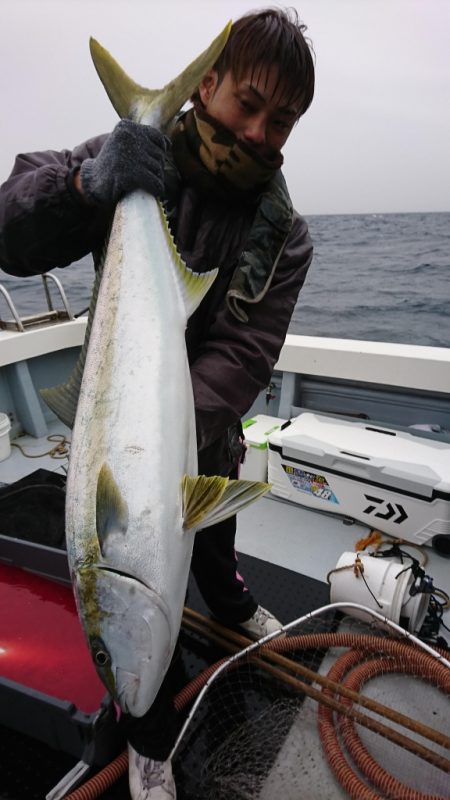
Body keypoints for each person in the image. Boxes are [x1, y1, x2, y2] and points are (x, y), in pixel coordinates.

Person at [0, 7, 315, 798]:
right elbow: (8, 235)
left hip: (199, 439)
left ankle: (234, 605)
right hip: (140, 461)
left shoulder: (287, 237)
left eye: (280, 122)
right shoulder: (129, 159)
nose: (257, 133)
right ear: (205, 86)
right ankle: (149, 745)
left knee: (212, 545)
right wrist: (84, 185)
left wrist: (158, 447)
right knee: (160, 562)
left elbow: (245, 355)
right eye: (248, 103)